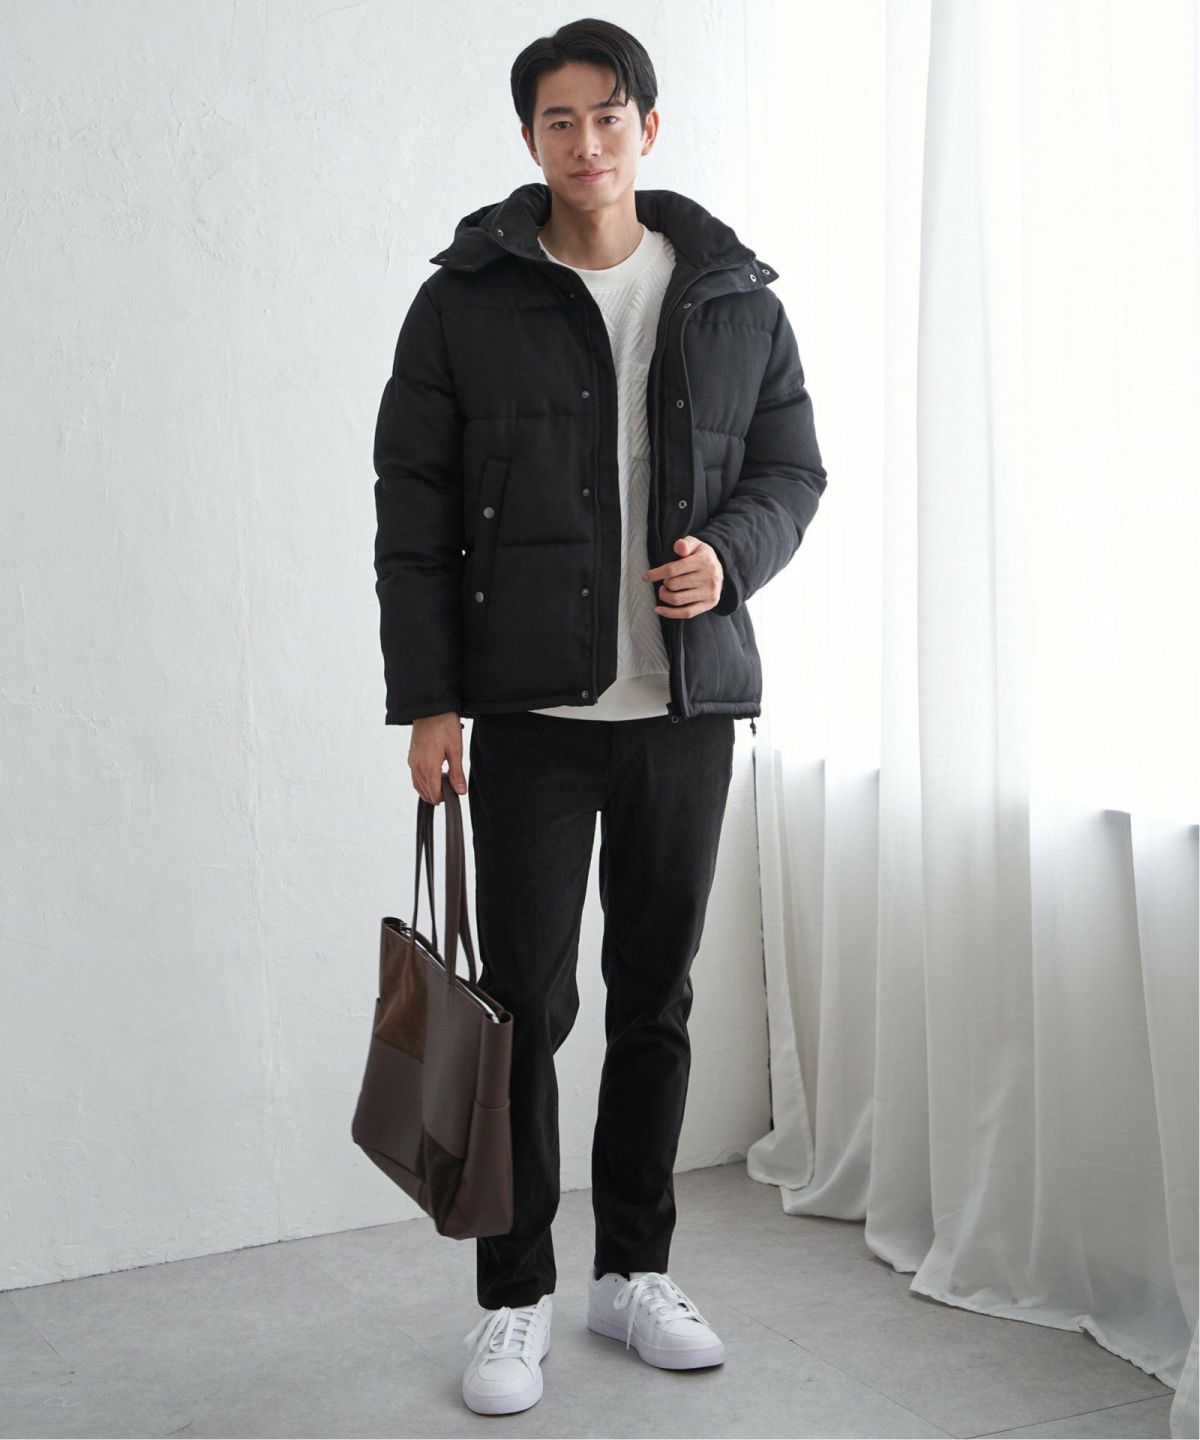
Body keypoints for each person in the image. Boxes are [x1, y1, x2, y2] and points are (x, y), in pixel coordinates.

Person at [372, 16, 827, 1417]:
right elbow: (413, 511)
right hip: (529, 713)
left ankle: (633, 1272)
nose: (586, 142)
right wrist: (431, 702)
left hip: (685, 709)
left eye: (608, 115)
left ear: (648, 127)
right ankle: (513, 1296)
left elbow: (792, 468)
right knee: (522, 1008)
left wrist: (729, 558)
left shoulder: (733, 294)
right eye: (558, 120)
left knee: (655, 995)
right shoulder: (465, 300)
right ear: (529, 139)